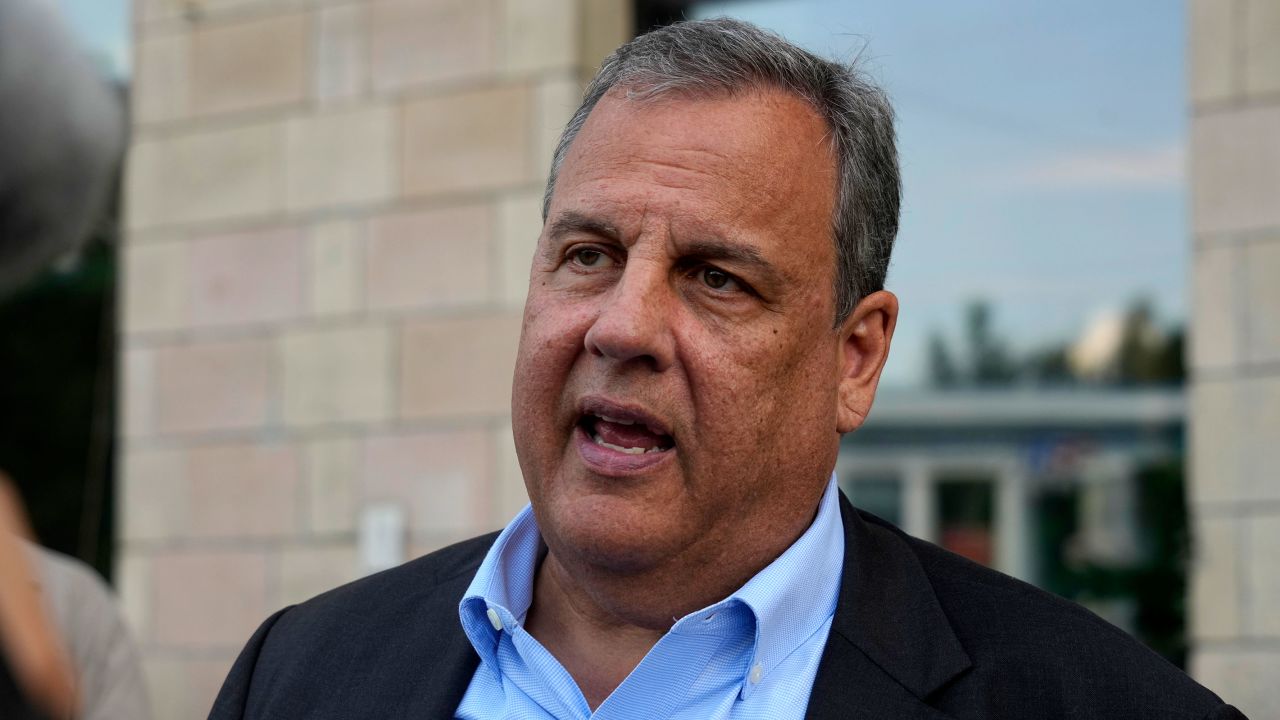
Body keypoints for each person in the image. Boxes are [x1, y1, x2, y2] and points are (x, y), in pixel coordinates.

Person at [210, 18, 1246, 719]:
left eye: (714, 278)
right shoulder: (298, 676)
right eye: (588, 256)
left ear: (854, 358)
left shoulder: (1089, 702)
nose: (623, 327)